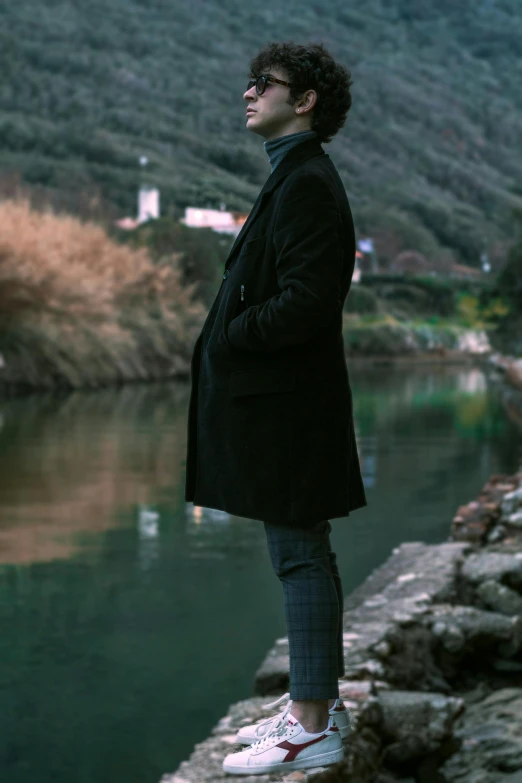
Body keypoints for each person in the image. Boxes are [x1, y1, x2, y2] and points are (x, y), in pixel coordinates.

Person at [184, 40, 367, 774]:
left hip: (291, 408)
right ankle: (308, 707)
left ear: (307, 99)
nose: (248, 93)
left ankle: (313, 724)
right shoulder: (293, 176)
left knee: (300, 556)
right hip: (286, 405)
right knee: (301, 553)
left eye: (265, 83)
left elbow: (309, 302)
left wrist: (230, 334)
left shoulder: (307, 182)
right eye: (249, 82)